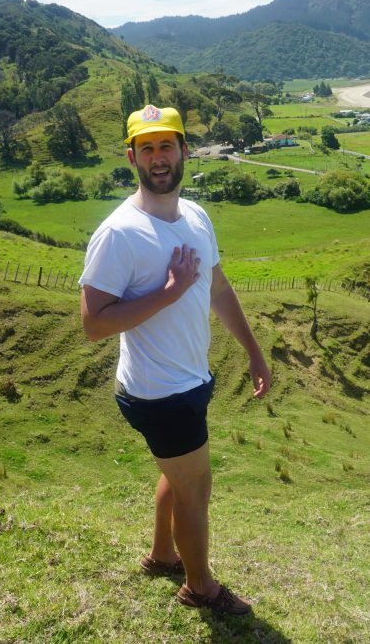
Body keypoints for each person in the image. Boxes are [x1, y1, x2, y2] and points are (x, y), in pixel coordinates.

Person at [79, 105, 271, 616]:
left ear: (184, 151)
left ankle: (163, 555)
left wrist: (253, 352)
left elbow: (220, 288)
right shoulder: (120, 233)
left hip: (191, 380)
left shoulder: (197, 217)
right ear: (131, 157)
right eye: (147, 148)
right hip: (156, 391)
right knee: (196, 487)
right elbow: (94, 323)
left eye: (167, 146)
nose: (158, 158)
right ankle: (200, 587)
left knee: (181, 473)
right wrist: (168, 291)